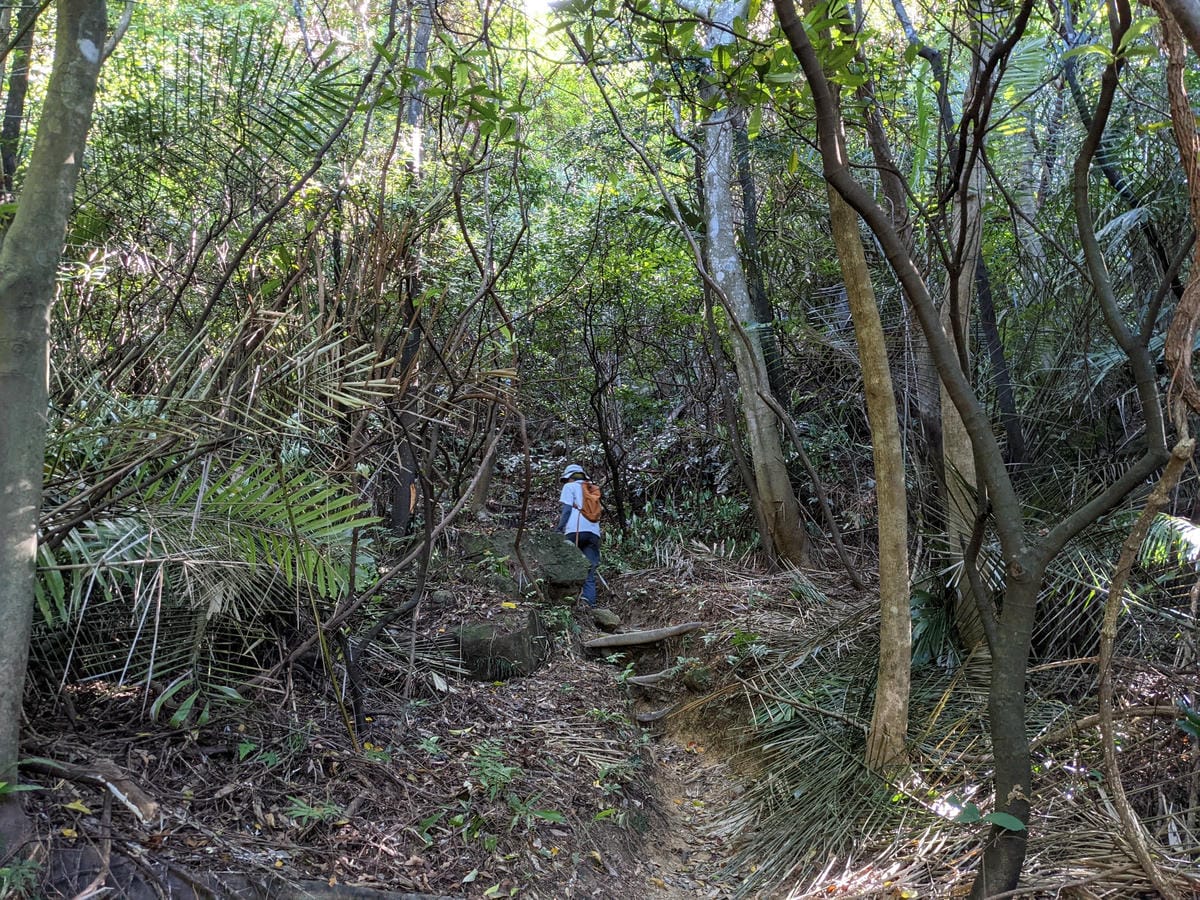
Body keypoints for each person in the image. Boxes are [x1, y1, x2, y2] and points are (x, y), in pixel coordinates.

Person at [555, 463, 601, 607]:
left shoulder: (570, 487)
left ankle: (568, 603)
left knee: (567, 565)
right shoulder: (592, 490)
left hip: (575, 530)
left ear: (569, 477)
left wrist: (559, 529)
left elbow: (567, 510)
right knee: (589, 570)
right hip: (594, 533)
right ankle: (589, 604)